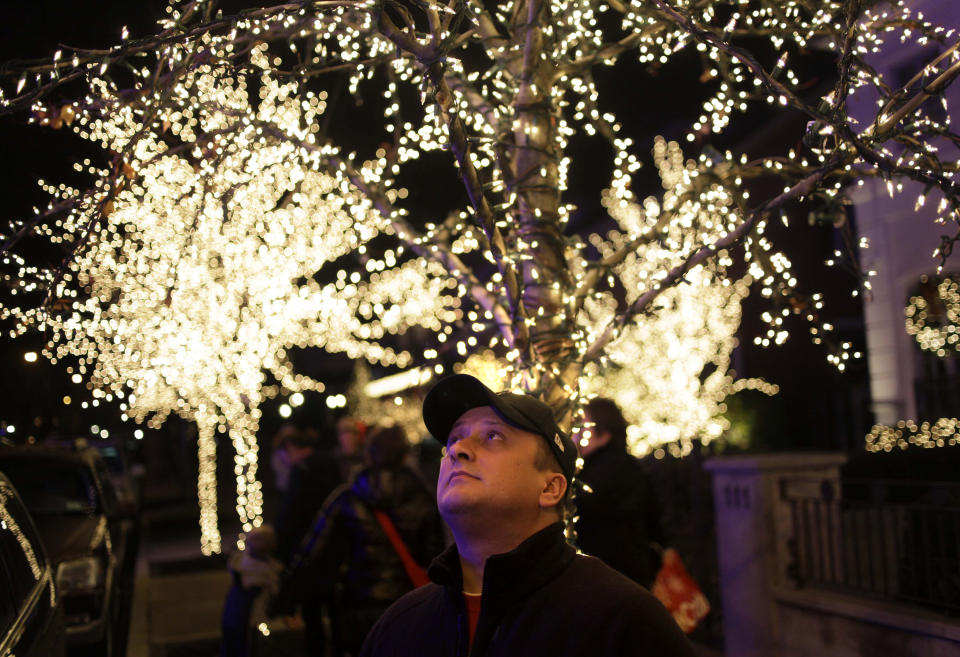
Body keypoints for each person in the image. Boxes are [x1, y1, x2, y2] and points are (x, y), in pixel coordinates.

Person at [359, 374, 695, 657]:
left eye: (492, 436)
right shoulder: (400, 627)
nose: (458, 450)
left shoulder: (621, 622)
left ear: (550, 488)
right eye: (454, 438)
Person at [277, 424, 445, 656]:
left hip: (357, 605)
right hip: (409, 603)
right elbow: (436, 560)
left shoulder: (347, 497)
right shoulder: (425, 500)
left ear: (369, 454)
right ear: (404, 456)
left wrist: (288, 595)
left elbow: (313, 551)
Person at [575, 397, 665, 587]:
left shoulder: (596, 473)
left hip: (607, 575)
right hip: (633, 571)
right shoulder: (630, 467)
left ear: (604, 434)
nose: (576, 436)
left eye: (583, 429)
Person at [220, 525, 284, 657]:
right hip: (245, 616)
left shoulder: (242, 564)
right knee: (244, 645)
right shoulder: (262, 570)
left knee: (236, 644)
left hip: (237, 615)